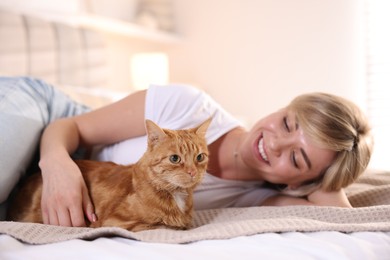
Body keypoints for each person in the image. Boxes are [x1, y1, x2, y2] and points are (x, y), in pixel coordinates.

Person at [0, 76, 373, 227]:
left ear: (300, 184)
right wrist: (56, 166)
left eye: (296, 158)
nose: (273, 142)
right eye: (289, 123)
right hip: (51, 121)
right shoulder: (188, 106)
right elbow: (72, 128)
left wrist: (338, 158)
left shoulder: (260, 199)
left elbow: (342, 219)